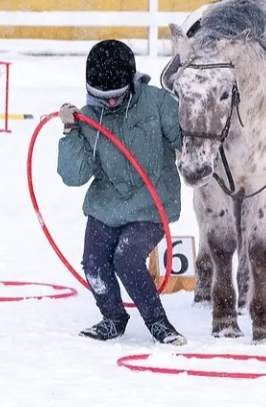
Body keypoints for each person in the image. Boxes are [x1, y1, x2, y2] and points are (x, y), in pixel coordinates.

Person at [57, 39, 186, 346]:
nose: (112, 102)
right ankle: (113, 318)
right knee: (94, 261)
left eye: (118, 95)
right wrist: (71, 132)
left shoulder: (158, 102)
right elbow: (74, 177)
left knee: (126, 257)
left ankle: (159, 323)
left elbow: (187, 142)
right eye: (104, 97)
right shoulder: (87, 118)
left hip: (152, 203)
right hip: (106, 204)